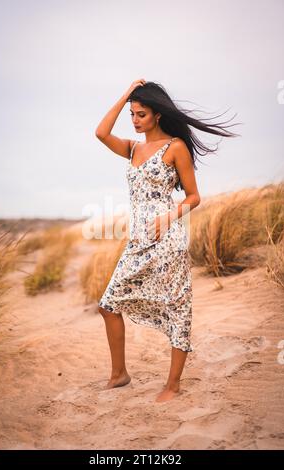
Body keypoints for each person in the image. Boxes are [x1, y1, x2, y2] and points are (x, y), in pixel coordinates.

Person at [95, 79, 239, 402]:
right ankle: (119, 374)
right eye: (132, 114)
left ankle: (172, 385)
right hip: (138, 241)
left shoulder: (175, 148)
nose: (134, 120)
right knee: (108, 305)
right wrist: (126, 94)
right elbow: (101, 133)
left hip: (168, 239)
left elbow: (194, 196)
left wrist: (169, 216)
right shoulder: (132, 148)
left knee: (177, 306)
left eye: (141, 114)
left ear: (157, 115)